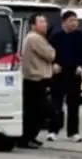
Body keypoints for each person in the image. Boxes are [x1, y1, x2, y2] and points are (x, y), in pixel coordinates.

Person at [48, 9, 82, 143]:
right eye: (71, 20)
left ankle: (73, 132)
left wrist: (81, 65)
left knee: (74, 104)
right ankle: (53, 130)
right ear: (64, 22)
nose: (74, 23)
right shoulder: (56, 36)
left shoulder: (81, 36)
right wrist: (53, 64)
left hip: (74, 74)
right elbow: (50, 53)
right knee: (56, 104)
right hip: (59, 73)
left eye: (75, 21)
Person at [20, 14, 56, 149]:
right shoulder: (35, 38)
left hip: (34, 78)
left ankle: (29, 137)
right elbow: (51, 54)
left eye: (45, 21)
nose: (45, 24)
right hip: (36, 79)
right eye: (41, 22)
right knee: (39, 111)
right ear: (33, 25)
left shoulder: (34, 38)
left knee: (34, 111)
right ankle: (27, 137)